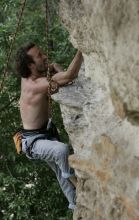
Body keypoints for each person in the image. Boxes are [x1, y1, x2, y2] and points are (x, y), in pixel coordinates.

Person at [15, 42, 83, 210]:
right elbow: (70, 76)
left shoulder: (29, 78)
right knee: (61, 151)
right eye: (40, 55)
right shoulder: (35, 85)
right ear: (31, 65)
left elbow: (63, 78)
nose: (45, 56)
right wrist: (82, 48)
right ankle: (77, 182)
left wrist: (54, 68)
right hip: (33, 143)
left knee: (60, 172)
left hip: (42, 135)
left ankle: (75, 205)